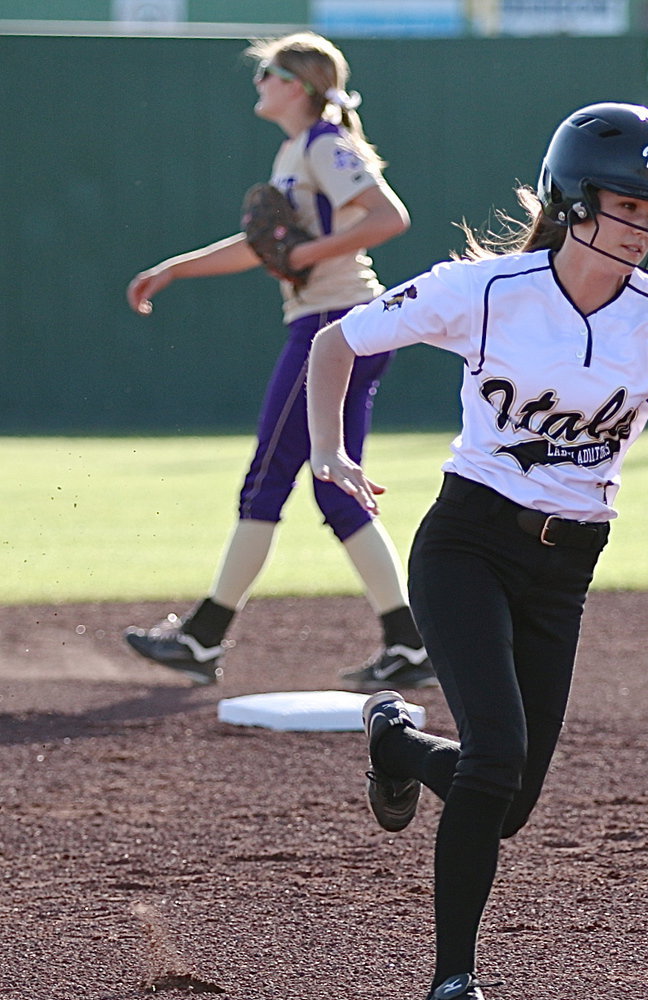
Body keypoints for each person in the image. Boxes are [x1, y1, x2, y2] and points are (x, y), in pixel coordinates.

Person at [307, 102, 648, 1000]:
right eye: (625, 204)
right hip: (467, 542)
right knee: (494, 756)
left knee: (505, 804)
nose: (644, 225)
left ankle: (393, 743)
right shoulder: (487, 291)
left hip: (568, 564)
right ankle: (452, 987)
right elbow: (337, 342)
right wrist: (329, 451)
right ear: (573, 200)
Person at [123, 32, 435, 691]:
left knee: (268, 479)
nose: (258, 81)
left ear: (297, 83)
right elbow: (267, 246)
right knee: (337, 486)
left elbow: (388, 217)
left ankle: (203, 637)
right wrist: (176, 270)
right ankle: (409, 644)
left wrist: (305, 257)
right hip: (341, 325)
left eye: (267, 71)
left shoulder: (324, 142)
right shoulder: (299, 148)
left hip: (333, 325)